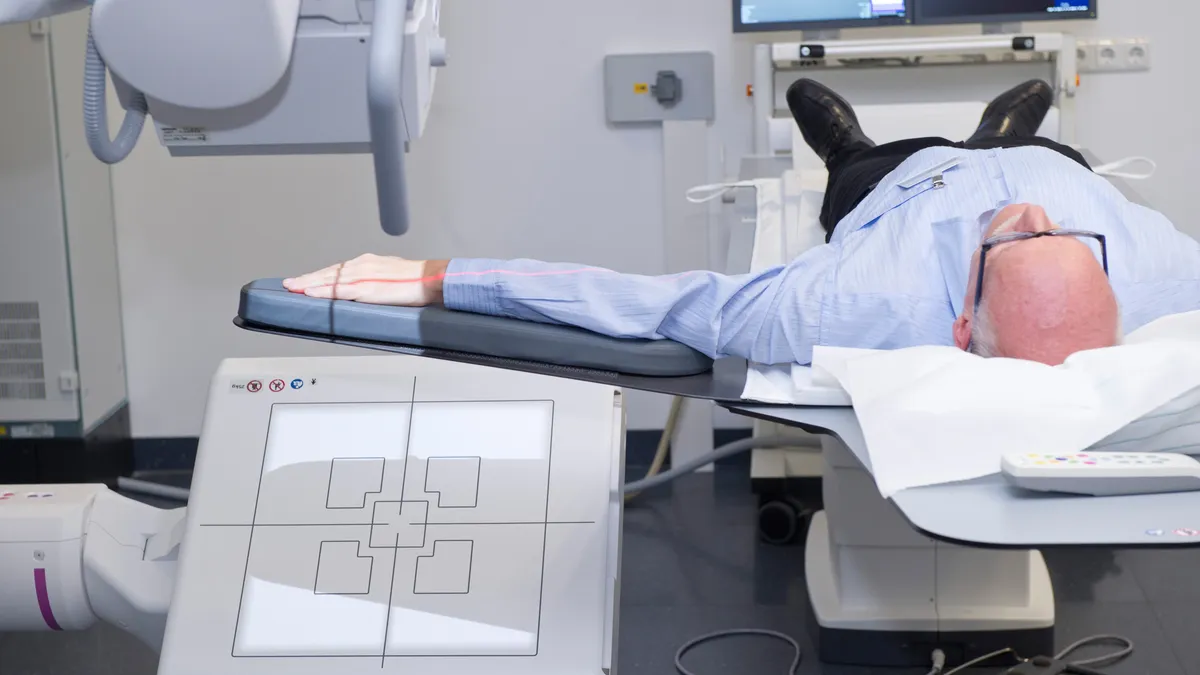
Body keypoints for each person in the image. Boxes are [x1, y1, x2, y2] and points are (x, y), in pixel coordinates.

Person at [284, 80, 1200, 367]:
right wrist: (1032, 185)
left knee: (856, 174)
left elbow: (651, 302)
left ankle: (842, 143)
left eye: (1014, 238)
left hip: (905, 183)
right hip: (1056, 157)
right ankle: (1006, 133)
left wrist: (441, 275)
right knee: (1044, 162)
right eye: (1063, 239)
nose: (1029, 214)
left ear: (960, 326)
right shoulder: (1166, 273)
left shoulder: (852, 301)